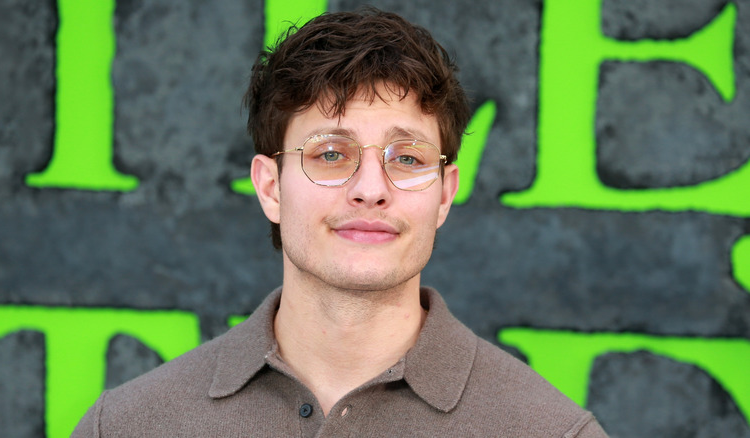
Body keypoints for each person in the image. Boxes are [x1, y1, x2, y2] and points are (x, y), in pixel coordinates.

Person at [72, 8, 608, 437]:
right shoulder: (122, 427)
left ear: (444, 194)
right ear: (269, 187)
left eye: (407, 158)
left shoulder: (554, 431)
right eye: (330, 154)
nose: (371, 189)